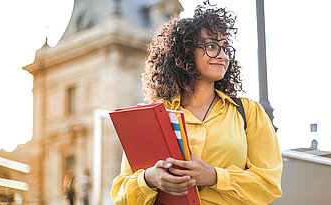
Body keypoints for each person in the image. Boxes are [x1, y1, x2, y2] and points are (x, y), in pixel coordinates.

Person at [111, 1, 282, 204]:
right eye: (211, 46)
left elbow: (269, 186)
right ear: (185, 52)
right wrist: (148, 179)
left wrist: (214, 176)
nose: (222, 55)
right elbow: (120, 195)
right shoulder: (151, 117)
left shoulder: (249, 112)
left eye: (226, 48)